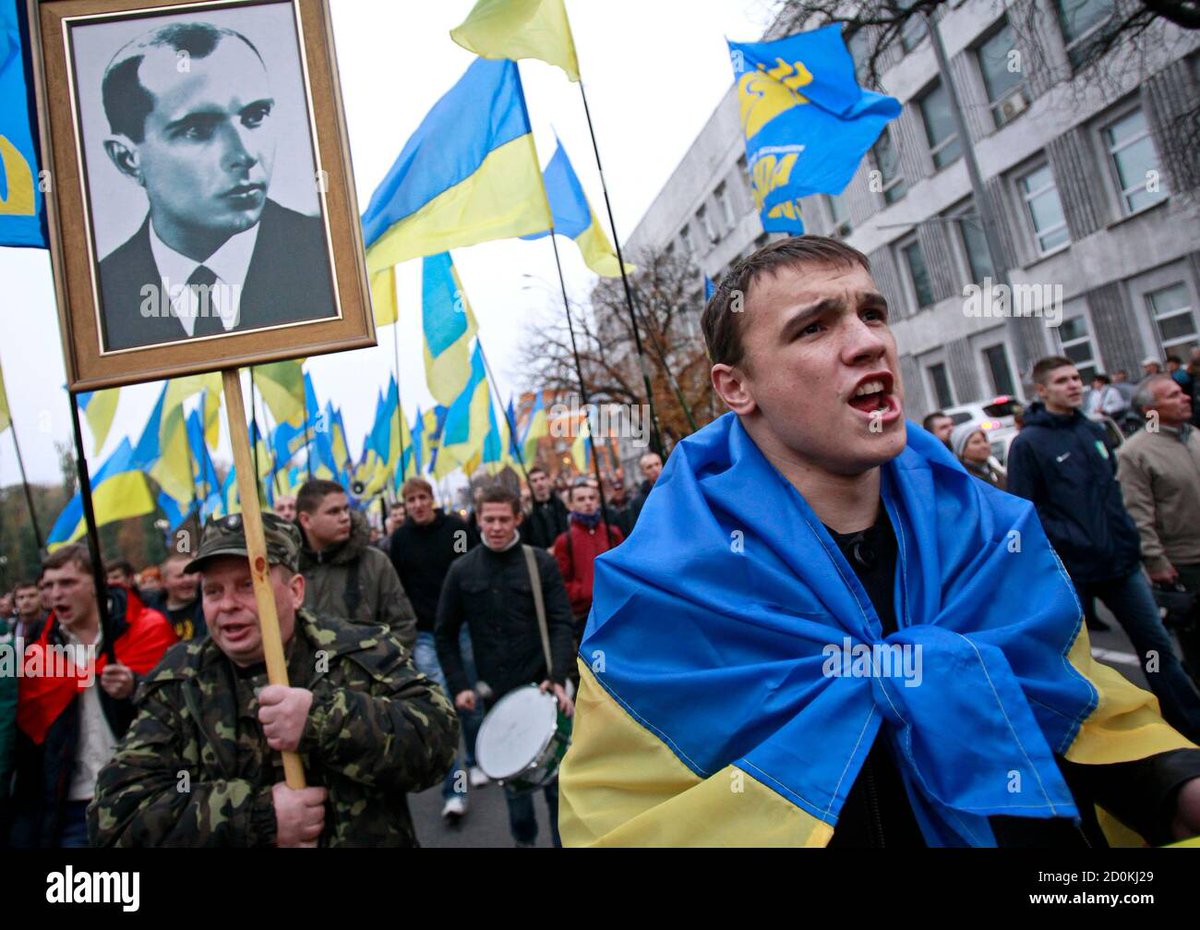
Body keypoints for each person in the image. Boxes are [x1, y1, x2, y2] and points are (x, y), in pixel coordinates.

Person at [559, 235, 1200, 848]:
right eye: (815, 327)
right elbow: (625, 815)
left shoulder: (985, 532)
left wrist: (1171, 787)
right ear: (736, 388)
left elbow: (1078, 701)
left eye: (873, 313)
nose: (867, 343)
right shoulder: (668, 589)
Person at [88, 513, 458, 847]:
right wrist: (258, 817)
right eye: (213, 591)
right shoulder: (180, 680)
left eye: (248, 585)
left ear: (295, 591)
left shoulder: (358, 650)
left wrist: (323, 722)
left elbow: (437, 743)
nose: (227, 604)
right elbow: (115, 817)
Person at [96, 22, 335, 351]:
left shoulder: (330, 262)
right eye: (197, 130)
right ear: (128, 159)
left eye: (255, 116)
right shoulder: (100, 299)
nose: (245, 154)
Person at [1007, 357, 1200, 739]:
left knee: (1156, 647)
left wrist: (1130, 542)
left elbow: (1115, 494)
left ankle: (1188, 724)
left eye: (1076, 377)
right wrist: (1070, 541)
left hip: (1121, 564)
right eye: (1062, 381)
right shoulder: (1028, 444)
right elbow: (1024, 510)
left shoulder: (1092, 430)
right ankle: (1093, 742)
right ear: (1042, 390)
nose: (1074, 385)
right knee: (1076, 661)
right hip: (1072, 571)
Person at [436, 486, 575, 847]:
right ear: (478, 519)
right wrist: (460, 685)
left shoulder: (540, 563)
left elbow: (562, 622)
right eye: (488, 519)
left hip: (544, 691)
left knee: (560, 790)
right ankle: (524, 841)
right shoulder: (462, 570)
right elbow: (444, 634)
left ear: (517, 518)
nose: (496, 526)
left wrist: (558, 677)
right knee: (517, 798)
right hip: (497, 698)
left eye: (503, 519)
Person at [9, 545, 176, 847]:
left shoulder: (148, 630)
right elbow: (31, 746)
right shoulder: (40, 656)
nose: (55, 594)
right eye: (48, 586)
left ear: (98, 585)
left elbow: (181, 706)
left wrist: (136, 687)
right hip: (75, 810)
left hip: (146, 797)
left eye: (68, 583)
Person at [387, 477, 482, 823]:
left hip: (462, 628)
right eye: (410, 499)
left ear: (432, 499)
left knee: (469, 700)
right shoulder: (399, 540)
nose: (417, 504)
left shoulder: (455, 529)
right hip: (426, 634)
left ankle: (477, 758)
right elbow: (395, 585)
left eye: (422, 497)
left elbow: (471, 566)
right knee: (440, 712)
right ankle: (454, 790)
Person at [1117, 374, 1200, 677]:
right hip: (1185, 562)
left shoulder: (1194, 436)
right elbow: (1138, 512)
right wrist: (1155, 559)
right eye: (1174, 395)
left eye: (1183, 393)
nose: (1185, 397)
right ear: (1150, 410)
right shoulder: (1135, 452)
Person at [295, 479, 416, 648]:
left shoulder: (375, 563)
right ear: (306, 520)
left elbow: (403, 627)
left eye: (346, 509)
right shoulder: (287, 571)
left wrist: (369, 664)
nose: (345, 518)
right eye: (333, 512)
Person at [554, 480, 625, 632]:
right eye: (581, 499)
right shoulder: (564, 541)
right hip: (586, 615)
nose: (588, 503)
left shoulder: (612, 532)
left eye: (591, 498)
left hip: (616, 608)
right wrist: (584, 591)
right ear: (570, 505)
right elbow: (562, 582)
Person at [156, 552, 207, 642]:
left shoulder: (209, 608)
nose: (187, 579)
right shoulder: (153, 613)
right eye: (180, 576)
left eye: (191, 574)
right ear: (164, 582)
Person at [949, 422, 1006, 491]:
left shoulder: (995, 471)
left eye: (985, 440)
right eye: (976, 442)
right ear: (962, 450)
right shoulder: (962, 479)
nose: (984, 446)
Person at [525, 467, 570, 549]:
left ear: (548, 480)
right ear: (530, 484)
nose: (539, 483)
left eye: (542, 478)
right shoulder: (528, 513)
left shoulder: (561, 505)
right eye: (534, 480)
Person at [625, 451, 664, 531]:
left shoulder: (674, 488)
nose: (655, 469)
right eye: (649, 467)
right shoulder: (637, 503)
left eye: (657, 464)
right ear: (643, 472)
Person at [8, 579, 46, 644]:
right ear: (15, 602)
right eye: (21, 597)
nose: (26, 601)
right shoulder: (14, 626)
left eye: (32, 596)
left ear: (41, 598)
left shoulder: (50, 625)